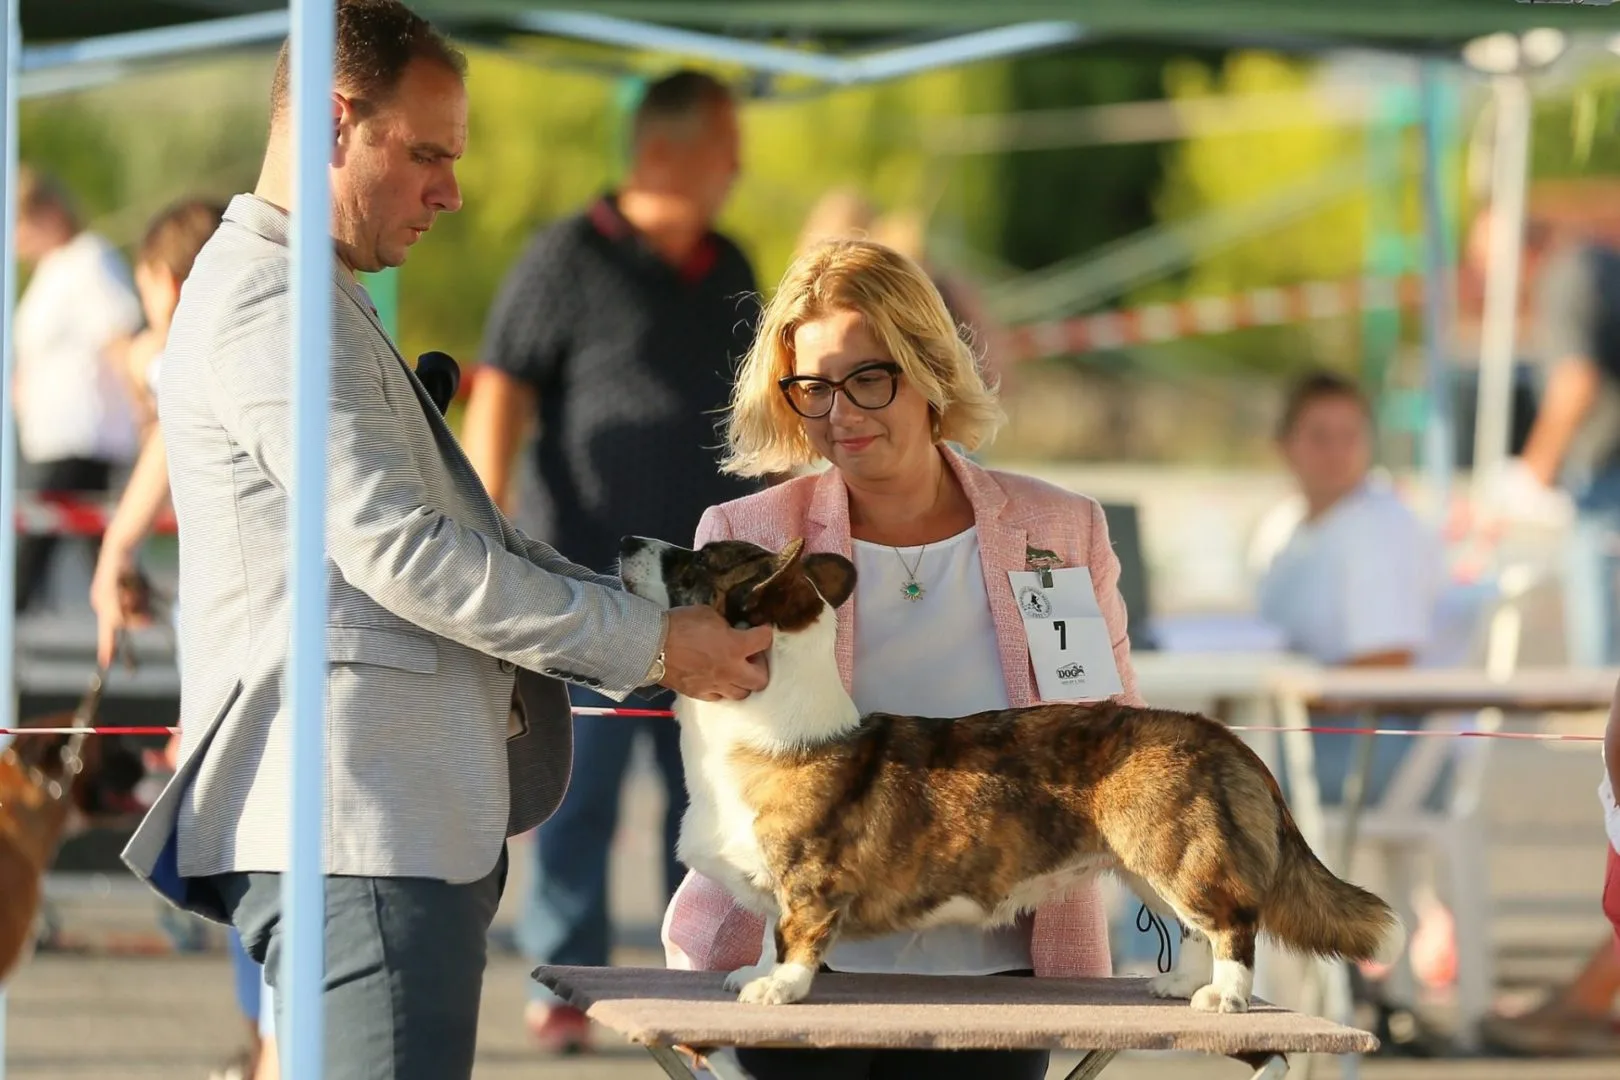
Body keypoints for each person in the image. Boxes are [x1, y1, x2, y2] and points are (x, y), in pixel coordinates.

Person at [117, 5, 771, 1078]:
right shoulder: (274, 305)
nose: (451, 191)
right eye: (425, 153)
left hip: (381, 828)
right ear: (337, 121)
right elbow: (408, 555)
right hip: (358, 829)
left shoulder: (312, 293)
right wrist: (654, 648)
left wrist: (657, 626)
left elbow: (465, 541)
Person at [660, 237, 1141, 1080]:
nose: (839, 413)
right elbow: (721, 770)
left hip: (1002, 977)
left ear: (930, 370)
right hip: (801, 968)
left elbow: (1119, 753)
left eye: (868, 378)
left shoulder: (1062, 533)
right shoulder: (744, 539)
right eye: (812, 387)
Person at [462, 68, 760, 1053]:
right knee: (577, 791)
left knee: (710, 792)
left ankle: (705, 974)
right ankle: (562, 978)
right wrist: (478, 527)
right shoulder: (563, 257)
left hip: (711, 586)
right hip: (587, 583)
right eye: (726, 147)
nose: (740, 167)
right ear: (664, 152)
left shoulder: (731, 265)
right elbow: (499, 392)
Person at [84, 197, 279, 1080]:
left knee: (246, 857)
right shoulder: (268, 325)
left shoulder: (200, 336)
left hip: (245, 650)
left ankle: (272, 1053)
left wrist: (118, 544)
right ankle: (266, 1048)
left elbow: (157, 394)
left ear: (164, 282)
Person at [1467, 211, 1620, 667]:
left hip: (1606, 468)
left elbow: (1576, 381)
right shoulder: (1590, 263)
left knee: (1599, 628)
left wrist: (1534, 470)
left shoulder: (1565, 276)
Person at [10, 164, 145, 614]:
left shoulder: (89, 259)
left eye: (19, 222)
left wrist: (147, 413)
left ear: (47, 213)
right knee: (104, 559)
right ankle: (135, 631)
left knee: (28, 557)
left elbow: (120, 341)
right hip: (49, 442)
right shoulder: (50, 271)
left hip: (83, 441)